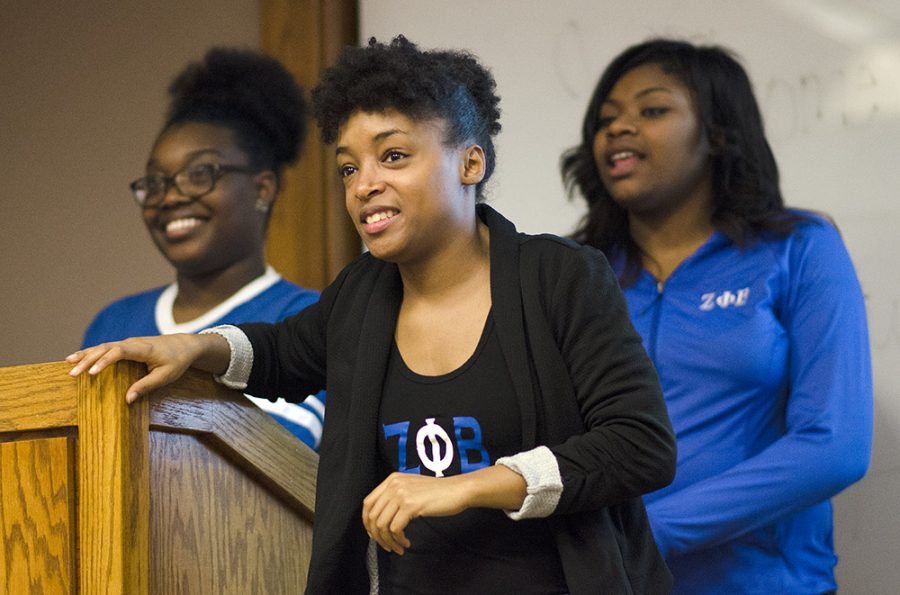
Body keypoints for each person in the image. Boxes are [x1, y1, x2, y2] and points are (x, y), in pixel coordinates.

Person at [69, 36, 676, 594]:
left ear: (470, 164)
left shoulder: (561, 276)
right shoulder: (362, 294)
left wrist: (467, 486)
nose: (364, 185)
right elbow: (284, 353)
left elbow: (639, 444)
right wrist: (195, 349)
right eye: (349, 168)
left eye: (393, 156)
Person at [561, 38, 873, 594]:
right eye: (606, 119)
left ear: (719, 134)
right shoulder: (577, 274)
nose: (618, 128)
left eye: (651, 110)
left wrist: (653, 532)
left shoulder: (799, 248)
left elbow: (835, 445)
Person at [80, 47, 325, 450]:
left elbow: (281, 467)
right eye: (156, 182)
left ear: (262, 188)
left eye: (200, 174)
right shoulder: (112, 324)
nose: (171, 197)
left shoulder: (304, 321)